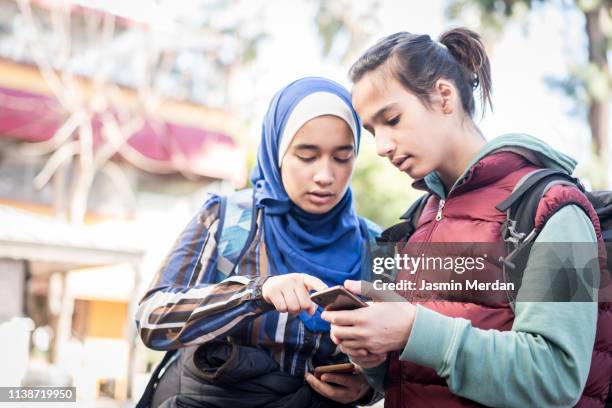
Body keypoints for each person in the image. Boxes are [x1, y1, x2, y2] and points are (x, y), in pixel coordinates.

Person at [322, 28, 611, 407]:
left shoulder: (555, 207)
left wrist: (413, 330)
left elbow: (557, 376)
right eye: (373, 131)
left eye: (391, 119)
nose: (381, 147)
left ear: (444, 96)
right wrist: (369, 356)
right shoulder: (404, 228)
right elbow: (397, 377)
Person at [135, 77, 382, 407]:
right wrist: (253, 294)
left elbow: (392, 354)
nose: (325, 176)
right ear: (277, 150)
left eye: (342, 157)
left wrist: (368, 387)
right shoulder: (229, 220)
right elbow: (152, 320)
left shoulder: (377, 245)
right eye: (307, 156)